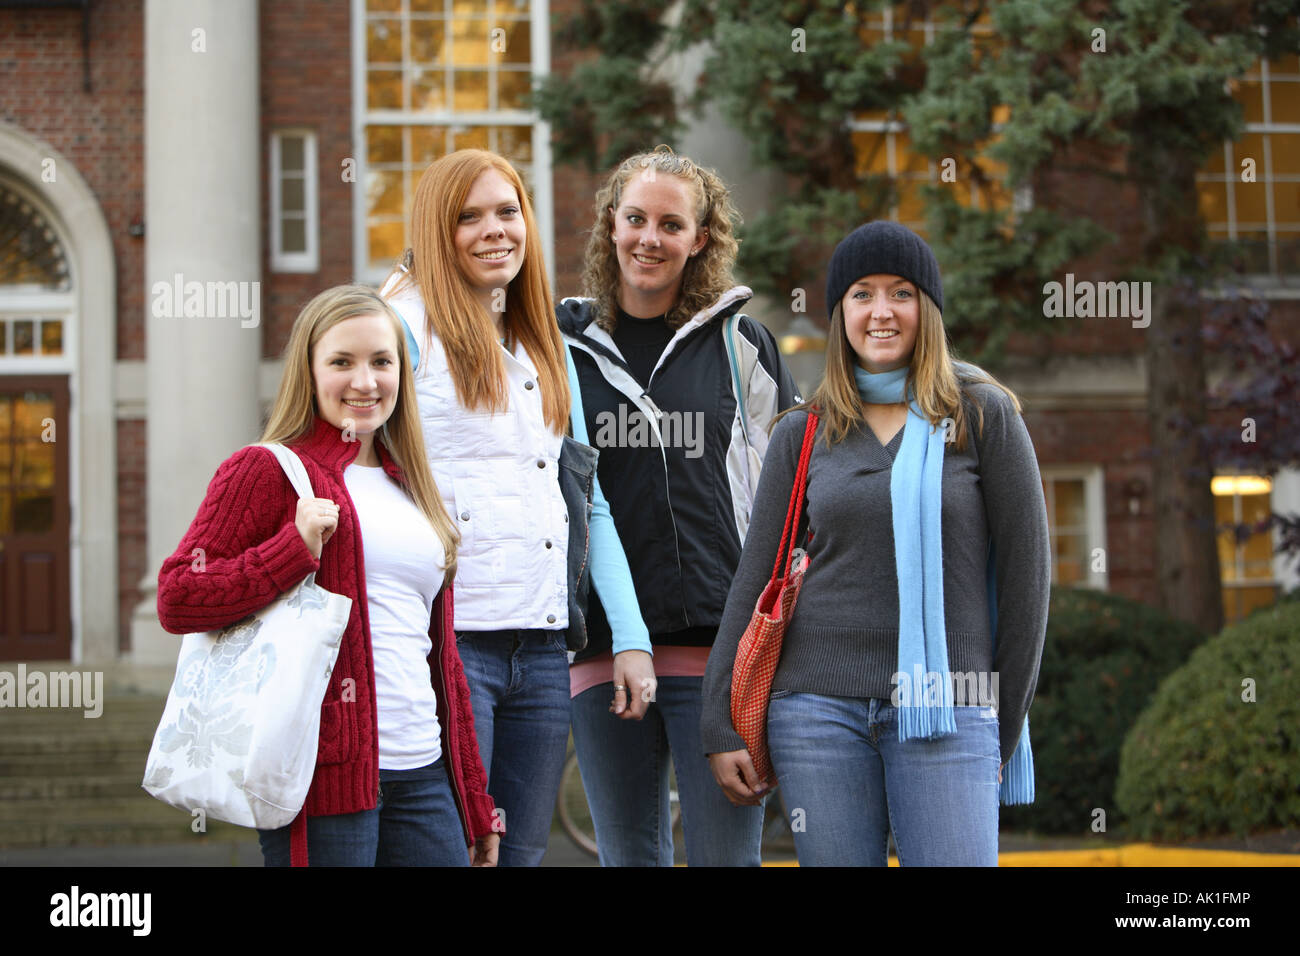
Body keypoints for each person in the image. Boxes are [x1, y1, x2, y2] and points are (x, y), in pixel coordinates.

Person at [701, 220, 1051, 866]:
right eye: (862, 294)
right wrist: (720, 721)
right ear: (840, 315)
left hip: (952, 706)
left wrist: (999, 723)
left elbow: (1031, 586)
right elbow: (753, 580)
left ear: (929, 310)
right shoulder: (802, 433)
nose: (881, 312)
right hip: (815, 713)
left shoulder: (983, 416)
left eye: (902, 293)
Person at [156, 284, 499, 867]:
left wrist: (473, 799)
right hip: (324, 778)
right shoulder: (268, 470)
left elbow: (442, 661)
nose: (364, 381)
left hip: (424, 773)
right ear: (309, 372)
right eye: (342, 362)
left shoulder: (413, 488)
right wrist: (291, 550)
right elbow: (178, 597)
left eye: (381, 361)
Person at [381, 150, 653, 867]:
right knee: (457, 850)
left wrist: (628, 636)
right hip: (448, 643)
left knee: (522, 853)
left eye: (507, 211)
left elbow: (587, 502)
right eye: (468, 217)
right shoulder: (400, 332)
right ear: (437, 232)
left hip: (539, 649)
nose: (493, 230)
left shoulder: (547, 347)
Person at [557, 146, 801, 866]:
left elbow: (791, 501)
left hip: (719, 652)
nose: (649, 239)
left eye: (671, 224)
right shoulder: (560, 350)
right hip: (602, 649)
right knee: (629, 858)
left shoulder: (742, 346)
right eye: (635, 219)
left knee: (728, 860)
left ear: (700, 238)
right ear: (611, 224)